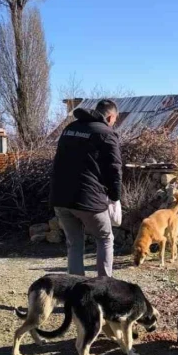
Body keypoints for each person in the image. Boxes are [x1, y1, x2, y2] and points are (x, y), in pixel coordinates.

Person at [50, 99, 121, 277]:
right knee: (105, 238)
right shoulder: (106, 133)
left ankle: (76, 292)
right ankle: (104, 288)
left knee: (74, 244)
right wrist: (114, 197)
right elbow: (114, 169)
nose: (114, 123)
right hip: (88, 199)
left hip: (61, 197)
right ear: (111, 116)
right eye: (115, 120)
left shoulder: (70, 128)